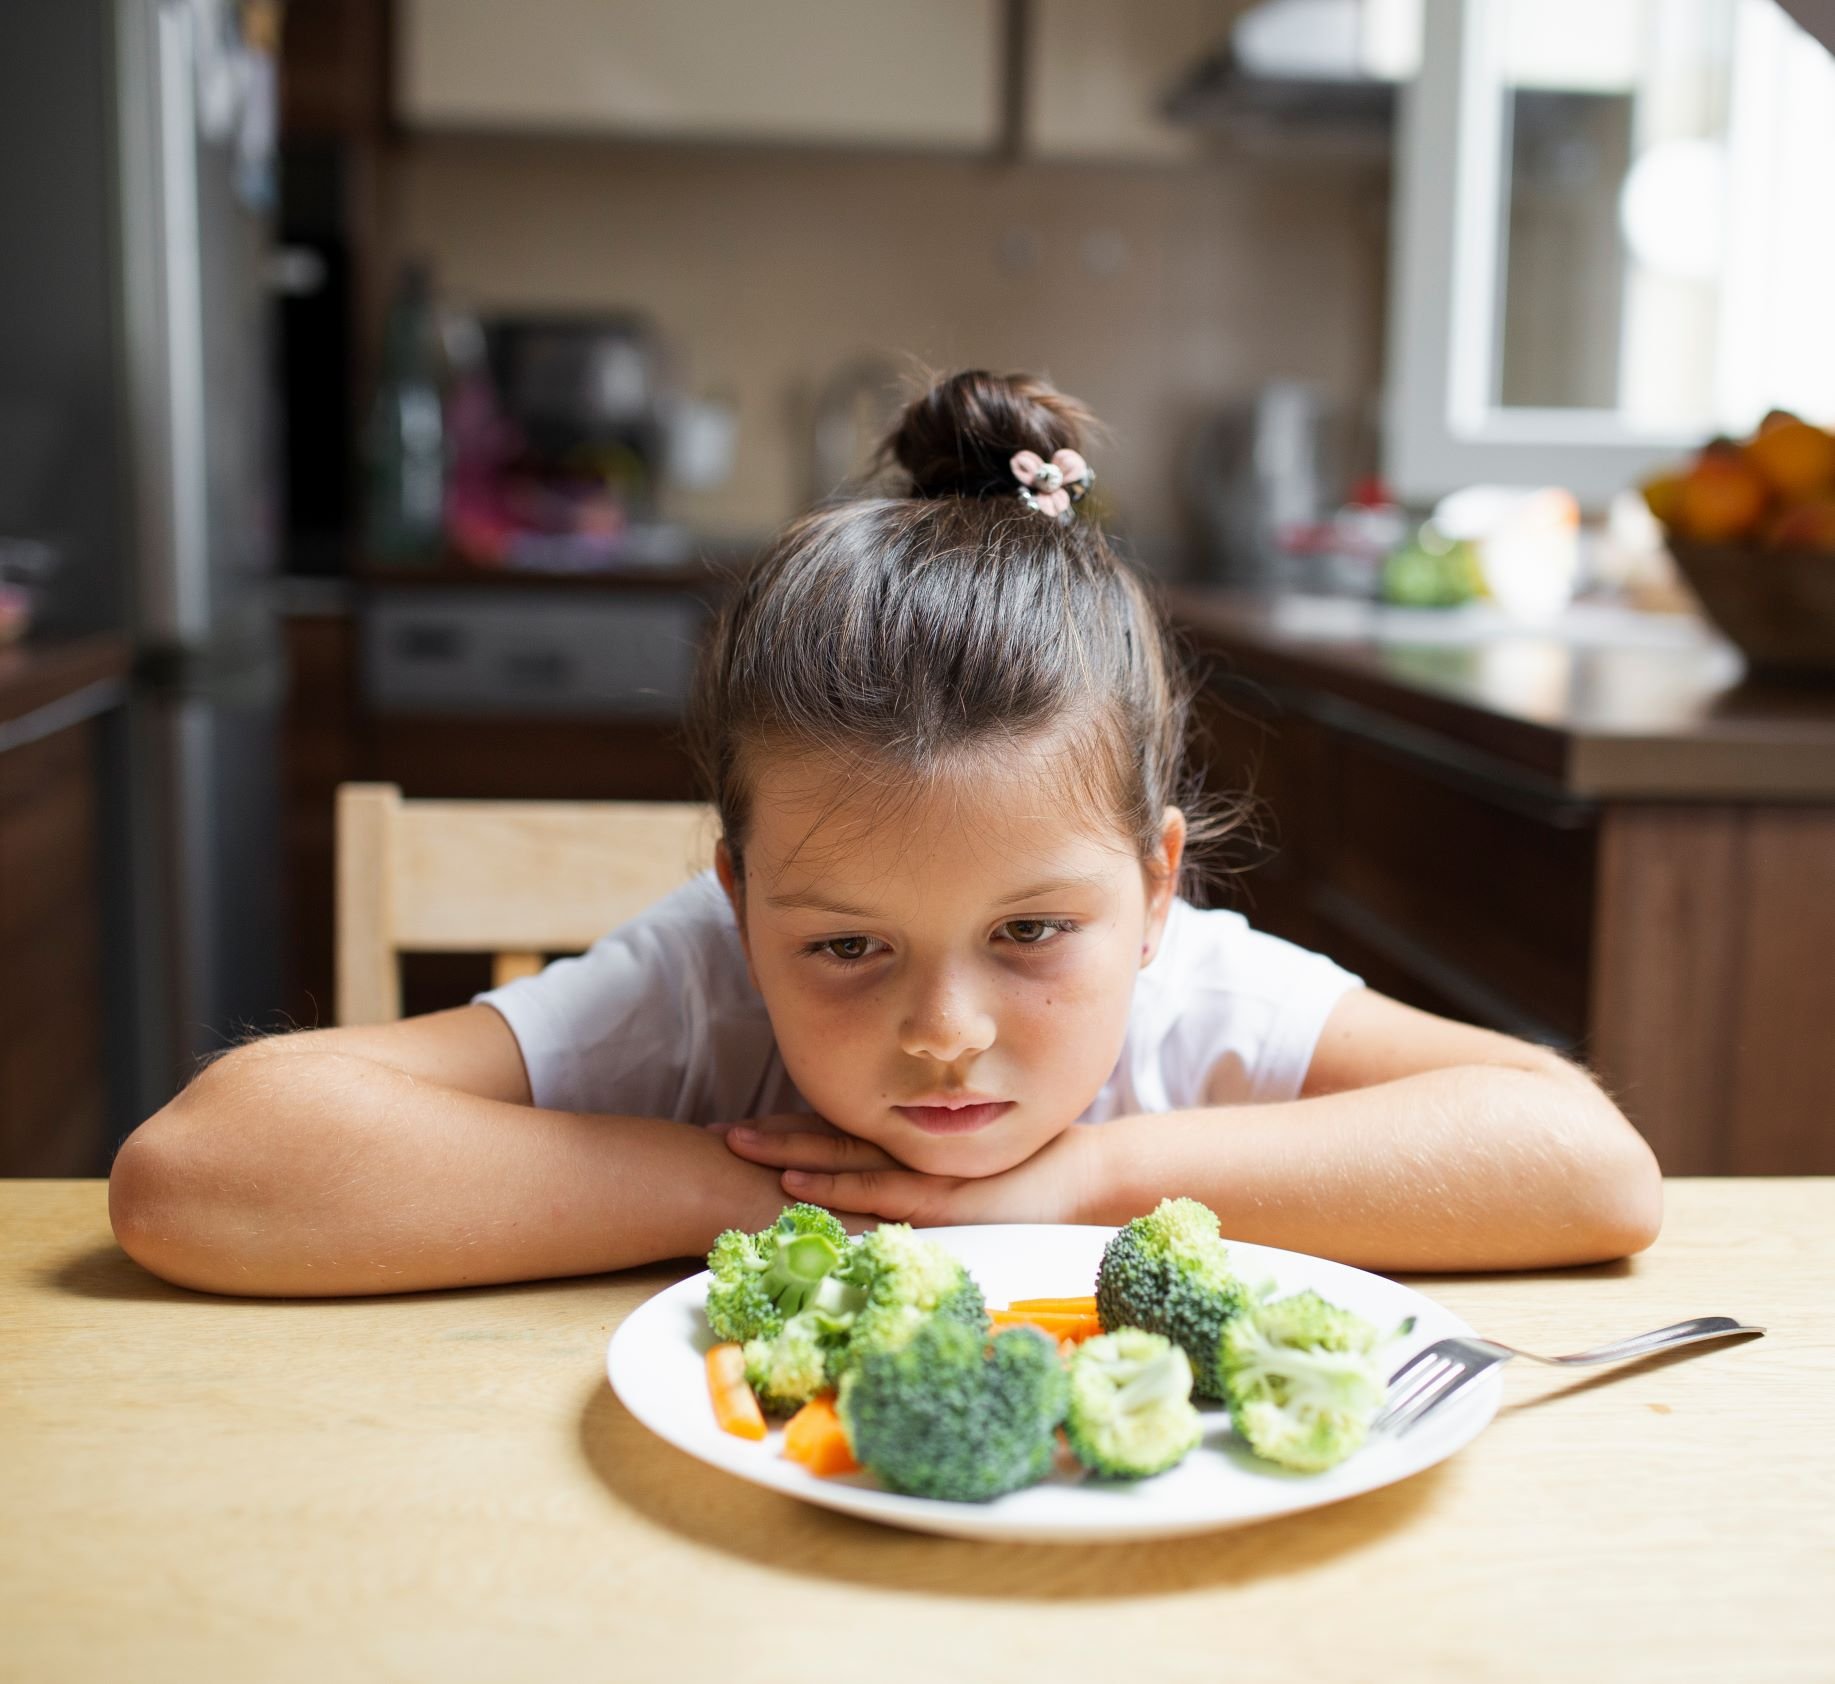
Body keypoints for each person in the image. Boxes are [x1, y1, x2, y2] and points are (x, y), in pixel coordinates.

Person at [108, 370, 1662, 1298]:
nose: (943, 1033)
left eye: (1034, 935)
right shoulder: (697, 989)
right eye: (844, 946)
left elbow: (1588, 1166)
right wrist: (768, 1196)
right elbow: (201, 1174)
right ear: (736, 899)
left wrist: (1077, 1184)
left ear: (1155, 887)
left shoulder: (1205, 1003)